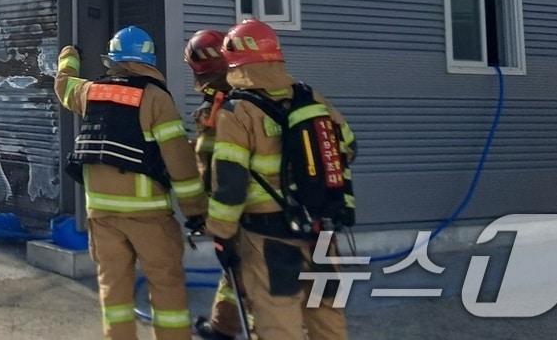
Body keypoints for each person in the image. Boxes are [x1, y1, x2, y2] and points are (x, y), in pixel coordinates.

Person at [206, 19, 356, 340]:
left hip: (268, 239)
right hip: (319, 232)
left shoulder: (237, 111)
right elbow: (349, 146)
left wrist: (220, 236)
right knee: (328, 321)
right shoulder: (310, 97)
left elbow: (230, 186)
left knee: (279, 324)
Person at [55, 27, 207, 340]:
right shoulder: (156, 99)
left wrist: (69, 56)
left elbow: (64, 85)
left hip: (101, 213)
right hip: (148, 214)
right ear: (148, 59)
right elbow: (180, 162)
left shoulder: (92, 91)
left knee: (114, 295)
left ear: (115, 59)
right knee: (167, 293)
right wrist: (196, 212)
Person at [184, 29, 244, 340]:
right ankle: (223, 326)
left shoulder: (219, 105)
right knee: (236, 272)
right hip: (276, 204)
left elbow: (210, 165)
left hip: (237, 208)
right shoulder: (256, 90)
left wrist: (206, 216)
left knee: (247, 273)